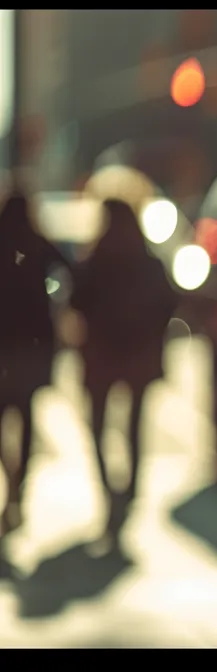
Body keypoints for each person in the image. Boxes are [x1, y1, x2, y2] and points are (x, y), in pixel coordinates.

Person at [69, 198, 179, 544]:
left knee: (98, 425)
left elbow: (76, 301)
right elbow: (169, 303)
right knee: (134, 427)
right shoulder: (147, 261)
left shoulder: (96, 260)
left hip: (102, 356)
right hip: (137, 357)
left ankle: (110, 490)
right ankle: (130, 490)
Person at [0, 187, 73, 536]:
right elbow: (71, 271)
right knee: (26, 416)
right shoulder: (38, 241)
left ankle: (11, 475)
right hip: (32, 344)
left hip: (3, 344)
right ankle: (19, 486)